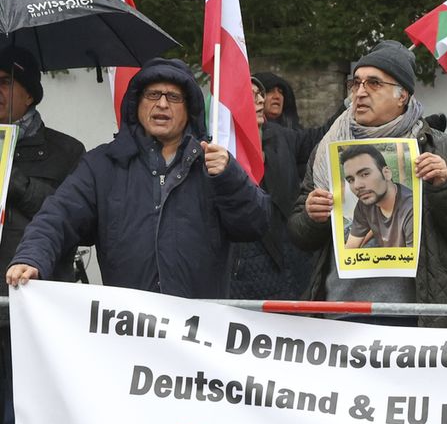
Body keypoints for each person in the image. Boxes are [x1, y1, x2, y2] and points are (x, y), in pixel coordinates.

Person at [6, 58, 270, 299]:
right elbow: (57, 216)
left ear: (189, 108)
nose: (162, 104)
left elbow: (255, 224)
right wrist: (31, 258)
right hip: (127, 332)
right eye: (153, 95)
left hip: (198, 337)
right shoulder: (102, 165)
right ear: (137, 104)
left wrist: (230, 178)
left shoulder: (214, 165)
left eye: (174, 97)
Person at [288, 40, 447, 327]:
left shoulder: (439, 148)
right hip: (340, 316)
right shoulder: (328, 147)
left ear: (402, 95)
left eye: (374, 83)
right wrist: (311, 216)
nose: (360, 92)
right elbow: (299, 234)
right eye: (356, 83)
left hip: (415, 319)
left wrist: (444, 186)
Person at [0, 46, 84, 424]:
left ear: (30, 92)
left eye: (4, 82)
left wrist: (11, 180)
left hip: (34, 310)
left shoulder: (67, 151)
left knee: (25, 417)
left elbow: (72, 219)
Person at [228, 78, 314, 300]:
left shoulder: (280, 135)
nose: (261, 99)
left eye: (260, 94)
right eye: (252, 94)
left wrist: (348, 105)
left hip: (288, 261)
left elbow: (316, 138)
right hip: (241, 272)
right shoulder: (216, 147)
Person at [340, 144, 413, 249]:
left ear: (386, 173)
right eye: (351, 180)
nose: (357, 186)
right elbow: (350, 248)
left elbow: (414, 262)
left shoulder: (411, 209)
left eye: (365, 174)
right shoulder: (365, 203)